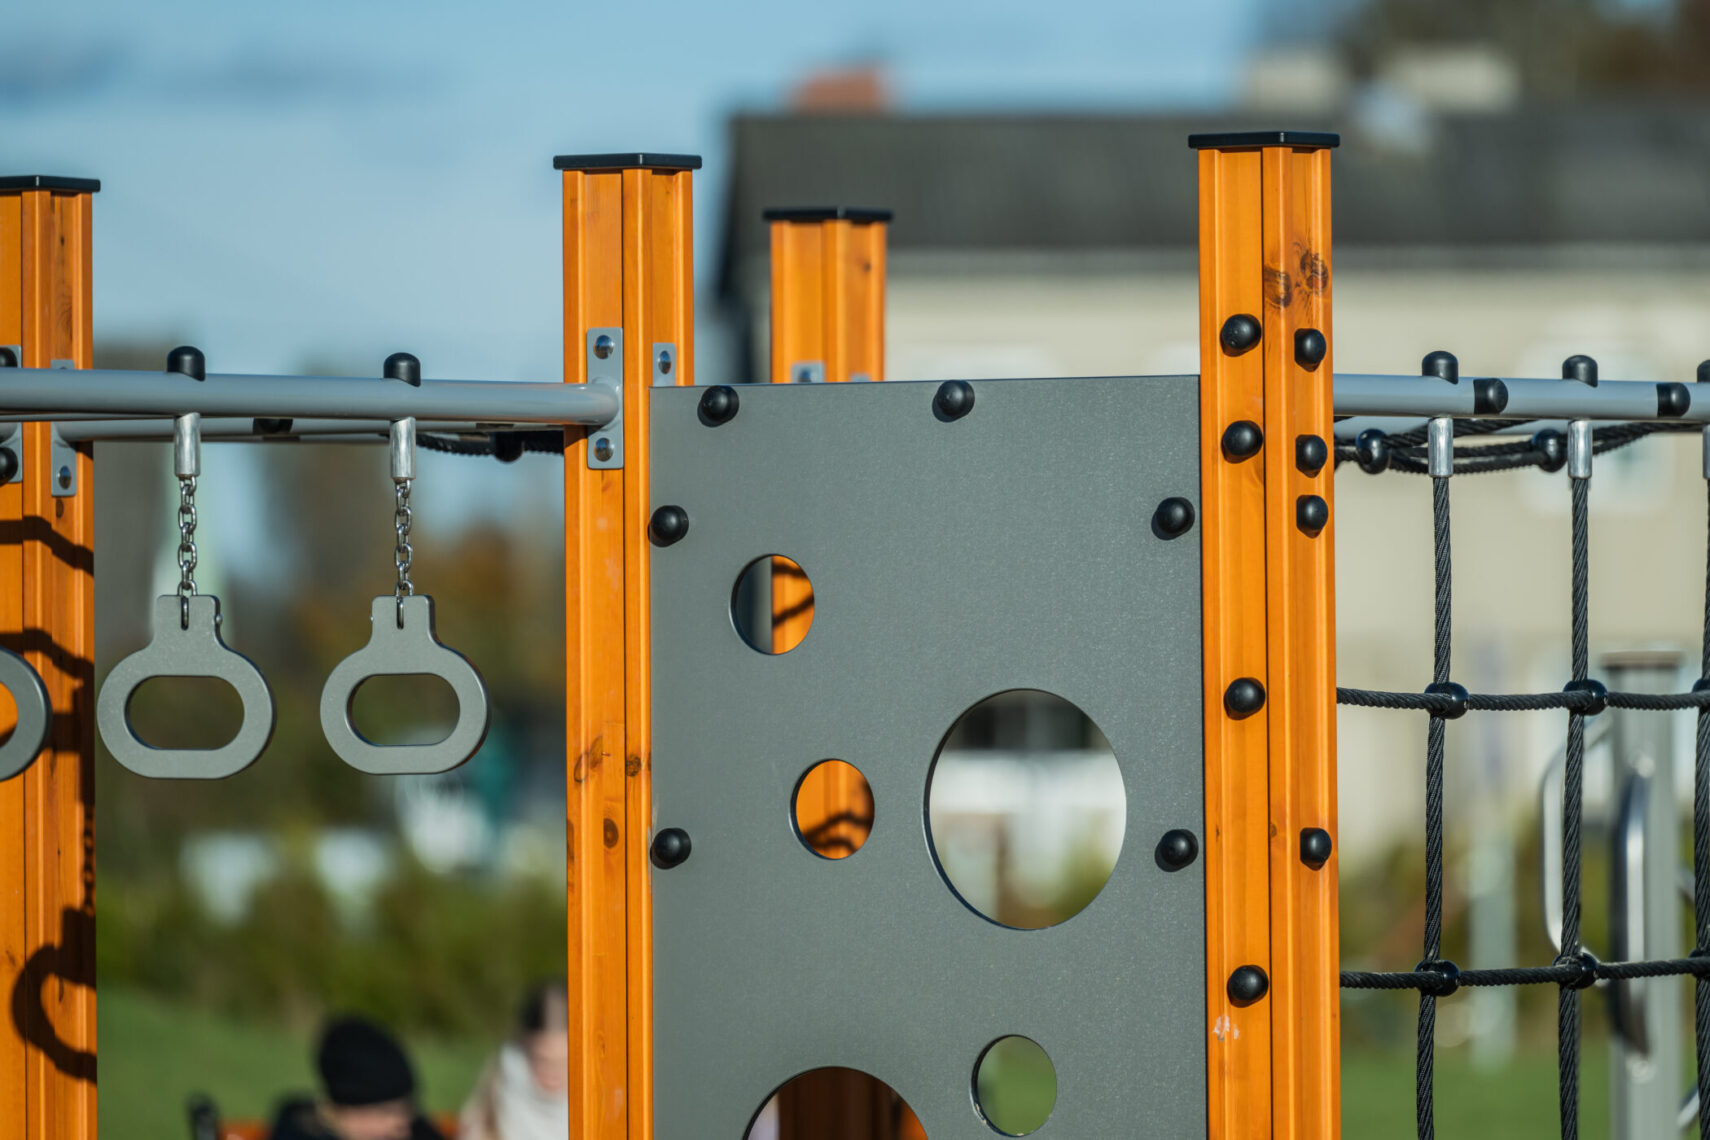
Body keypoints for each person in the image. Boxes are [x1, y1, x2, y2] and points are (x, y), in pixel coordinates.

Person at [270, 1015, 448, 1140]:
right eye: (386, 1112)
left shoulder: (414, 1129)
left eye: (407, 1110)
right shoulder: (298, 1132)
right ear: (343, 1109)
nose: (401, 1127)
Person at [457, 980, 569, 1140]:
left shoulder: (596, 1107)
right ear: (524, 1045)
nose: (553, 1073)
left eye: (564, 1062)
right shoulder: (499, 1088)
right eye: (541, 1060)